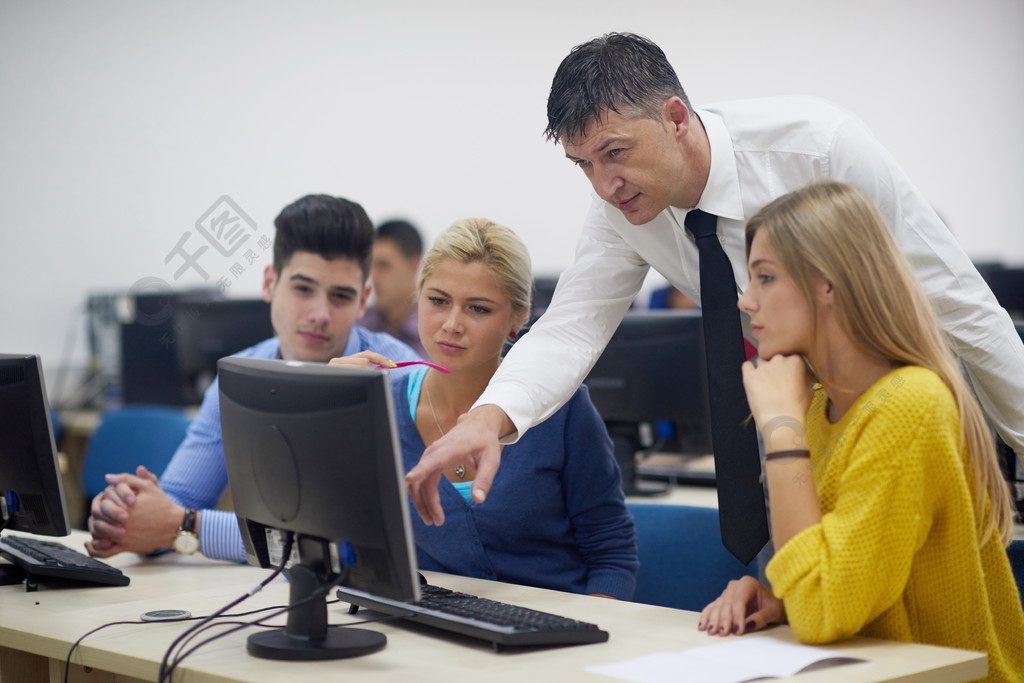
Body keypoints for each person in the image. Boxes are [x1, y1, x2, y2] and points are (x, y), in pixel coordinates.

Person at [405, 31, 1024, 528]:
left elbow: (961, 308)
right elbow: (570, 329)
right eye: (583, 165)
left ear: (676, 117)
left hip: (894, 421)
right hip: (784, 428)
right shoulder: (619, 213)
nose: (603, 184)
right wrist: (485, 419)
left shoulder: (818, 149)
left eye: (615, 153)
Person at [697, 181, 1024, 681]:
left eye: (765, 278)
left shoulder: (908, 405)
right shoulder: (823, 406)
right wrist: (780, 598)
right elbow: (842, 580)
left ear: (827, 284)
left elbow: (824, 610)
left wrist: (781, 430)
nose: (745, 302)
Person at [85, 194, 421, 562]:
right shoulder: (239, 375)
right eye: (303, 289)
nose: (320, 313)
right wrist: (128, 514)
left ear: (363, 301)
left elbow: (340, 546)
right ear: (269, 283)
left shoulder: (399, 376)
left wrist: (183, 526)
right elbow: (178, 504)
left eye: (341, 296)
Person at [331, 218, 638, 600]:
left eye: (478, 309)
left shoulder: (562, 408)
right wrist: (327, 415)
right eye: (438, 301)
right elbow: (335, 535)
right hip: (436, 633)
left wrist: (591, 633)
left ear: (517, 320)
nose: (452, 324)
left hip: (554, 635)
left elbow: (611, 555)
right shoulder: (381, 405)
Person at [359, 219, 427, 357]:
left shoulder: (435, 333)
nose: (373, 276)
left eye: (383, 265)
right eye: (370, 266)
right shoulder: (358, 326)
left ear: (414, 264)